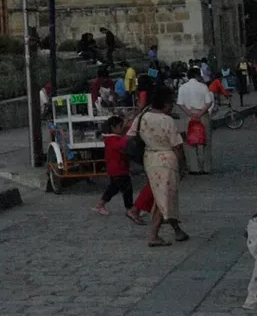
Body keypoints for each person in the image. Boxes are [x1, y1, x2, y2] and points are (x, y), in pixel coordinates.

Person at [138, 86, 188, 246]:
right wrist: (183, 165)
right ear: (166, 104)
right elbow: (177, 146)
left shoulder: (143, 116)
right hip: (166, 159)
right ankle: (154, 235)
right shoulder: (167, 120)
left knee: (161, 195)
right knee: (164, 197)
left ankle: (177, 230)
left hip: (150, 157)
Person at [92, 113, 136, 220]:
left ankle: (100, 205)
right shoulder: (113, 140)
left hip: (116, 168)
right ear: (113, 127)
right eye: (120, 126)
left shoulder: (111, 139)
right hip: (119, 168)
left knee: (113, 188)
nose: (122, 128)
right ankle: (130, 208)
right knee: (127, 189)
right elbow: (121, 148)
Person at [175, 66, 215, 175]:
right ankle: (206, 167)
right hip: (203, 115)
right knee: (206, 141)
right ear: (198, 75)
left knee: (190, 142)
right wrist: (200, 113)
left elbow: (180, 103)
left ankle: (194, 167)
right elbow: (209, 102)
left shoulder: (182, 87)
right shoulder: (203, 86)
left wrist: (189, 113)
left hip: (189, 115)